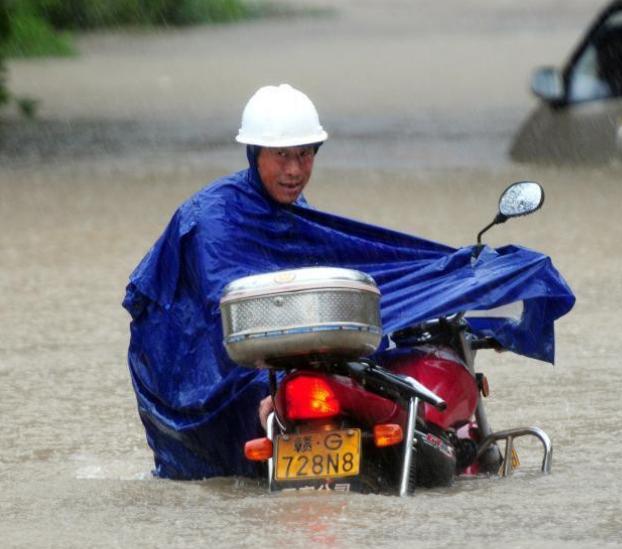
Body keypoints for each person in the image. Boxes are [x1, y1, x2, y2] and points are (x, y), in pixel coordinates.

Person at [123, 83, 574, 480]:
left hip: (287, 372)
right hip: (207, 378)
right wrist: (263, 387)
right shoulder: (212, 220)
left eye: (305, 155)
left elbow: (337, 284)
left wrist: (452, 270)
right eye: (282, 156)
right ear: (254, 153)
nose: (295, 170)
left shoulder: (299, 218)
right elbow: (222, 319)